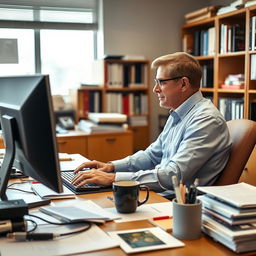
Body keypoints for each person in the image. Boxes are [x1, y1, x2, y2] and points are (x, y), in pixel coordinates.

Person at [72, 52, 232, 197]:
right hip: (161, 195)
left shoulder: (206, 120)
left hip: (179, 207)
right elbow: (152, 155)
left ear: (184, 84)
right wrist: (111, 167)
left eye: (161, 82)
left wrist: (114, 178)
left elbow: (173, 176)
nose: (155, 89)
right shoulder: (179, 113)